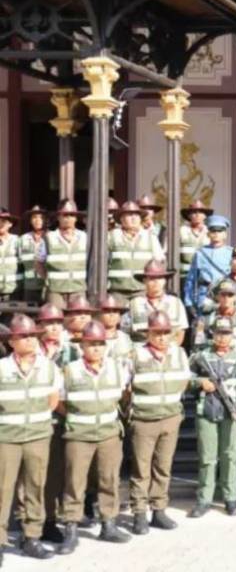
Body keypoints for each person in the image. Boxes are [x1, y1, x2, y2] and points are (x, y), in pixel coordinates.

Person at [56, 321, 132, 554]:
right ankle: (71, 528)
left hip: (108, 434)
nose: (96, 348)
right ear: (83, 346)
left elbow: (124, 396)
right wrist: (77, 416)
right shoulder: (69, 370)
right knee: (75, 482)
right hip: (79, 434)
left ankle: (108, 524)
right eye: (91, 344)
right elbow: (58, 401)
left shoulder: (116, 369)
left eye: (100, 344)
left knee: (109, 479)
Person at [0, 314, 60, 560]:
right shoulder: (2, 367)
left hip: (37, 436)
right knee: (3, 490)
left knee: (35, 487)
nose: (30, 341)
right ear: (11, 341)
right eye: (23, 337)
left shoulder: (48, 367)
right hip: (7, 438)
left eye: (33, 336)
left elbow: (53, 401)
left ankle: (32, 537)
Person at [128, 311, 190, 535]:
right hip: (144, 420)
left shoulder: (179, 353)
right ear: (149, 333)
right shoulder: (136, 355)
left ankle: (159, 509)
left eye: (166, 333)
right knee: (141, 469)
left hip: (170, 418)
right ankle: (139, 513)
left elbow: (184, 381)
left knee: (163, 467)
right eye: (157, 333)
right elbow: (126, 388)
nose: (162, 337)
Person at [187, 317, 236, 518]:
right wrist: (200, 382)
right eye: (218, 333)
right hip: (206, 410)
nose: (222, 337)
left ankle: (230, 498)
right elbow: (186, 379)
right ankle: (204, 499)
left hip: (231, 413)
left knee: (230, 456)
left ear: (232, 335)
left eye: (226, 333)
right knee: (207, 458)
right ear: (212, 334)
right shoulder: (200, 356)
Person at [106, 201, 166, 303]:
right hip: (117, 292)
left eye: (136, 215)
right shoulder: (111, 236)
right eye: (129, 215)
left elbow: (160, 263)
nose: (133, 218)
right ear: (121, 219)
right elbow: (103, 264)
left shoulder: (150, 237)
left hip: (142, 291)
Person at [38, 199, 88, 309]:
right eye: (64, 215)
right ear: (58, 217)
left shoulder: (85, 237)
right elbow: (39, 263)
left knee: (78, 321)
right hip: (56, 291)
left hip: (78, 289)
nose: (68, 218)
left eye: (71, 215)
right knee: (56, 319)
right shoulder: (48, 238)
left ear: (75, 218)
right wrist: (48, 280)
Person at [125, 261, 188, 345]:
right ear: (144, 281)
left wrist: (170, 352)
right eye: (151, 278)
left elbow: (180, 333)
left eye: (159, 278)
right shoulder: (133, 304)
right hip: (140, 353)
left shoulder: (176, 303)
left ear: (164, 280)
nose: (156, 282)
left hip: (168, 351)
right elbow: (124, 334)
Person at [183, 215, 233, 317]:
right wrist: (189, 303)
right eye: (213, 231)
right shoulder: (200, 253)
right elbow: (191, 280)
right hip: (204, 297)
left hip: (225, 297)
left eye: (220, 231)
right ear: (208, 233)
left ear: (225, 234)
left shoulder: (231, 253)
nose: (216, 234)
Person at [18, 205, 48, 303]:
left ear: (45, 220)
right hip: (29, 286)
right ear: (30, 220)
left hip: (47, 286)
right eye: (34, 217)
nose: (37, 220)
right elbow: (19, 264)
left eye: (40, 217)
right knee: (29, 316)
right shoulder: (23, 239)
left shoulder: (51, 237)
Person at [178, 201, 212, 281]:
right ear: (189, 215)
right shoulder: (181, 231)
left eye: (200, 212)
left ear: (205, 215)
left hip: (204, 277)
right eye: (194, 212)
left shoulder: (210, 232)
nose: (197, 215)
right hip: (184, 276)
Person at [0, 208, 20, 302]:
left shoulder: (18, 241)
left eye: (3, 221)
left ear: (10, 224)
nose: (1, 224)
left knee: (12, 316)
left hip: (13, 290)